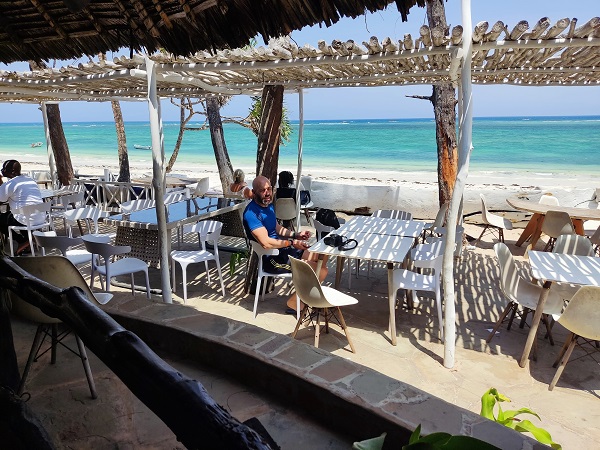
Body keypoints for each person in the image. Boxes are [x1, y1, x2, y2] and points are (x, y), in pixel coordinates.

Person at [243, 176, 327, 314]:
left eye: (269, 189)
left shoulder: (268, 206)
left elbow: (276, 228)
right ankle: (294, 302)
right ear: (255, 192)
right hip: (272, 259)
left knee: (322, 256)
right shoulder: (251, 214)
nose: (267, 193)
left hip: (284, 251)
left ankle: (309, 297)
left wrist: (296, 235)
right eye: (263, 190)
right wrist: (292, 243)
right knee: (321, 271)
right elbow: (266, 243)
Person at [0, 160, 44, 255]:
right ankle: (29, 241)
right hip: (40, 217)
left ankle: (21, 241)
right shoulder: (30, 180)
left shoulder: (10, 184)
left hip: (25, 218)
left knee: (6, 218)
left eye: (4, 169)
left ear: (12, 171)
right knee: (17, 214)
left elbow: (1, 199)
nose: (2, 170)